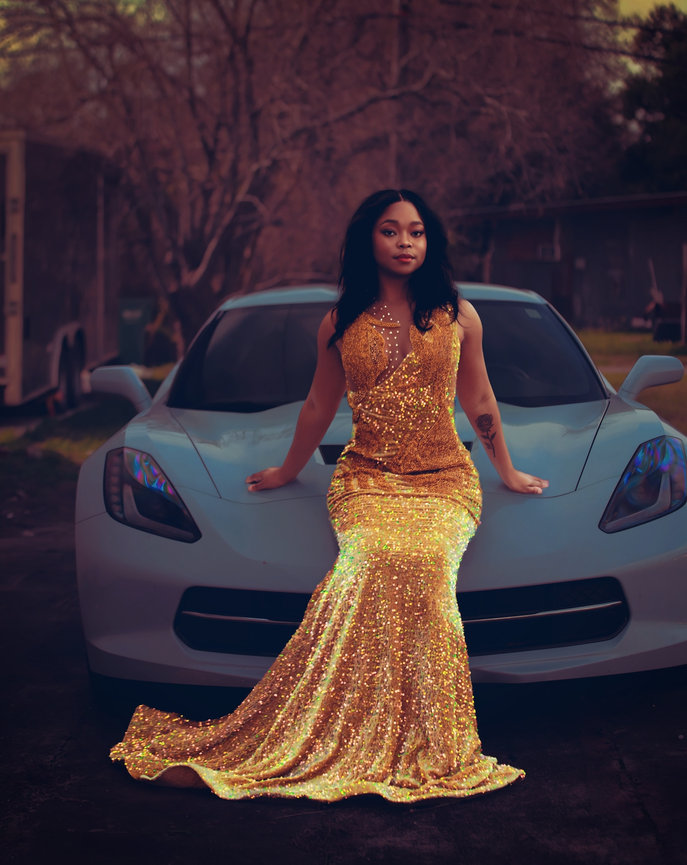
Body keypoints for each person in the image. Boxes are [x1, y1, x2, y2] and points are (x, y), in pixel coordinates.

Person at [110, 189, 548, 803]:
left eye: (417, 232)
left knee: (425, 564)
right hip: (367, 478)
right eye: (391, 230)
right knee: (368, 561)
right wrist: (288, 470)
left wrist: (508, 469)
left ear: (430, 242)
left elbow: (478, 399)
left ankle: (427, 738)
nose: (405, 242)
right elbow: (319, 404)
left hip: (443, 478)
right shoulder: (339, 323)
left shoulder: (459, 316)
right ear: (369, 239)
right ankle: (336, 731)